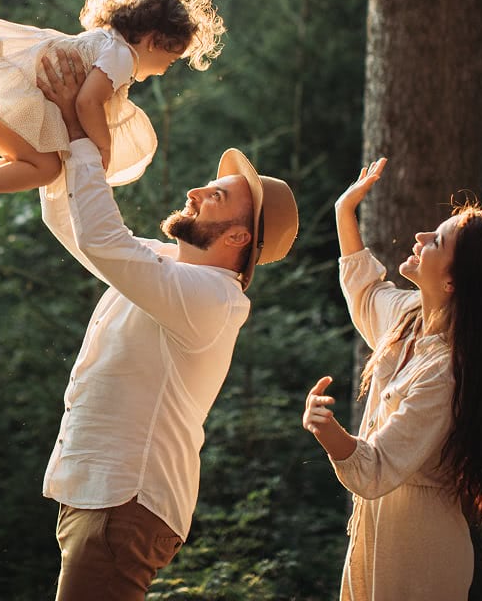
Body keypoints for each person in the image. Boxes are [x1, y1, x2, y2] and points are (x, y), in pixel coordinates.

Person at [33, 49, 298, 600]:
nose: (196, 193)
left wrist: (83, 134)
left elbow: (101, 239)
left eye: (217, 197)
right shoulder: (163, 265)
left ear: (237, 239)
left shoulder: (212, 298)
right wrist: (62, 121)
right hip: (100, 494)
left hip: (126, 500)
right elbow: (68, 217)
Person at [301, 158, 482, 600]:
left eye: (438, 240)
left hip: (417, 553)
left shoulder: (447, 372)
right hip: (375, 538)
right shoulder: (410, 317)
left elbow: (374, 470)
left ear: (452, 282)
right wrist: (343, 213)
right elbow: (367, 294)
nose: (420, 237)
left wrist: (326, 429)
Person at [0, 0, 225, 240]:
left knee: (29, 161)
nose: (164, 71)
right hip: (16, 107)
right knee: (47, 168)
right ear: (152, 42)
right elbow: (88, 102)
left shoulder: (106, 41)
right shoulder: (122, 58)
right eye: (170, 60)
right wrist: (102, 147)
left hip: (3, 104)